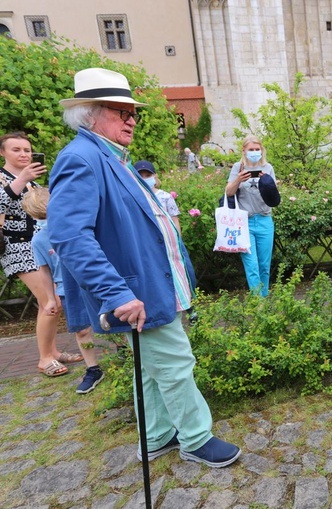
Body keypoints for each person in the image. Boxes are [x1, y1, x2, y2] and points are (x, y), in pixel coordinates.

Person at [49, 67, 240, 467]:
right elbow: (70, 238)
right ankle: (195, 438)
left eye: (132, 111)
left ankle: (155, 437)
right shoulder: (81, 159)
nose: (132, 119)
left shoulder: (112, 158)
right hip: (137, 292)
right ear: (90, 114)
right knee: (174, 363)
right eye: (121, 112)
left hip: (151, 284)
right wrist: (116, 293)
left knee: (151, 370)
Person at [0, 132, 83, 378]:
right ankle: (45, 358)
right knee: (51, 301)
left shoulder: (33, 183)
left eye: (27, 149)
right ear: (3, 152)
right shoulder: (5, 178)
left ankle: (52, 351)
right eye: (16, 149)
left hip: (41, 244)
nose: (24, 154)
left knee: (50, 303)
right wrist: (21, 178)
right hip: (17, 247)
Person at [22, 187, 104, 393]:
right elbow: (44, 271)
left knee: (112, 318)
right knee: (82, 329)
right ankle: (93, 368)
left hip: (92, 280)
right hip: (68, 289)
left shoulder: (75, 226)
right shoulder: (39, 240)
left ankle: (125, 354)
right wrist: (49, 298)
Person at [225, 135, 280, 297]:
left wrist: (268, 184)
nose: (255, 152)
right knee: (251, 265)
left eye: (257, 149)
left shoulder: (268, 167)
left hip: (264, 220)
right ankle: (258, 303)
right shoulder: (238, 167)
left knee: (264, 265)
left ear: (261, 150)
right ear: (244, 150)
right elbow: (228, 192)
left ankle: (264, 297)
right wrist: (238, 179)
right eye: (251, 150)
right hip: (245, 223)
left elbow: (274, 198)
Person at [134, 160, 181, 233]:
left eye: (148, 175)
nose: (144, 179)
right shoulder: (133, 197)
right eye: (140, 176)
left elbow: (175, 221)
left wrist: (178, 242)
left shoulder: (166, 197)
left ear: (154, 176)